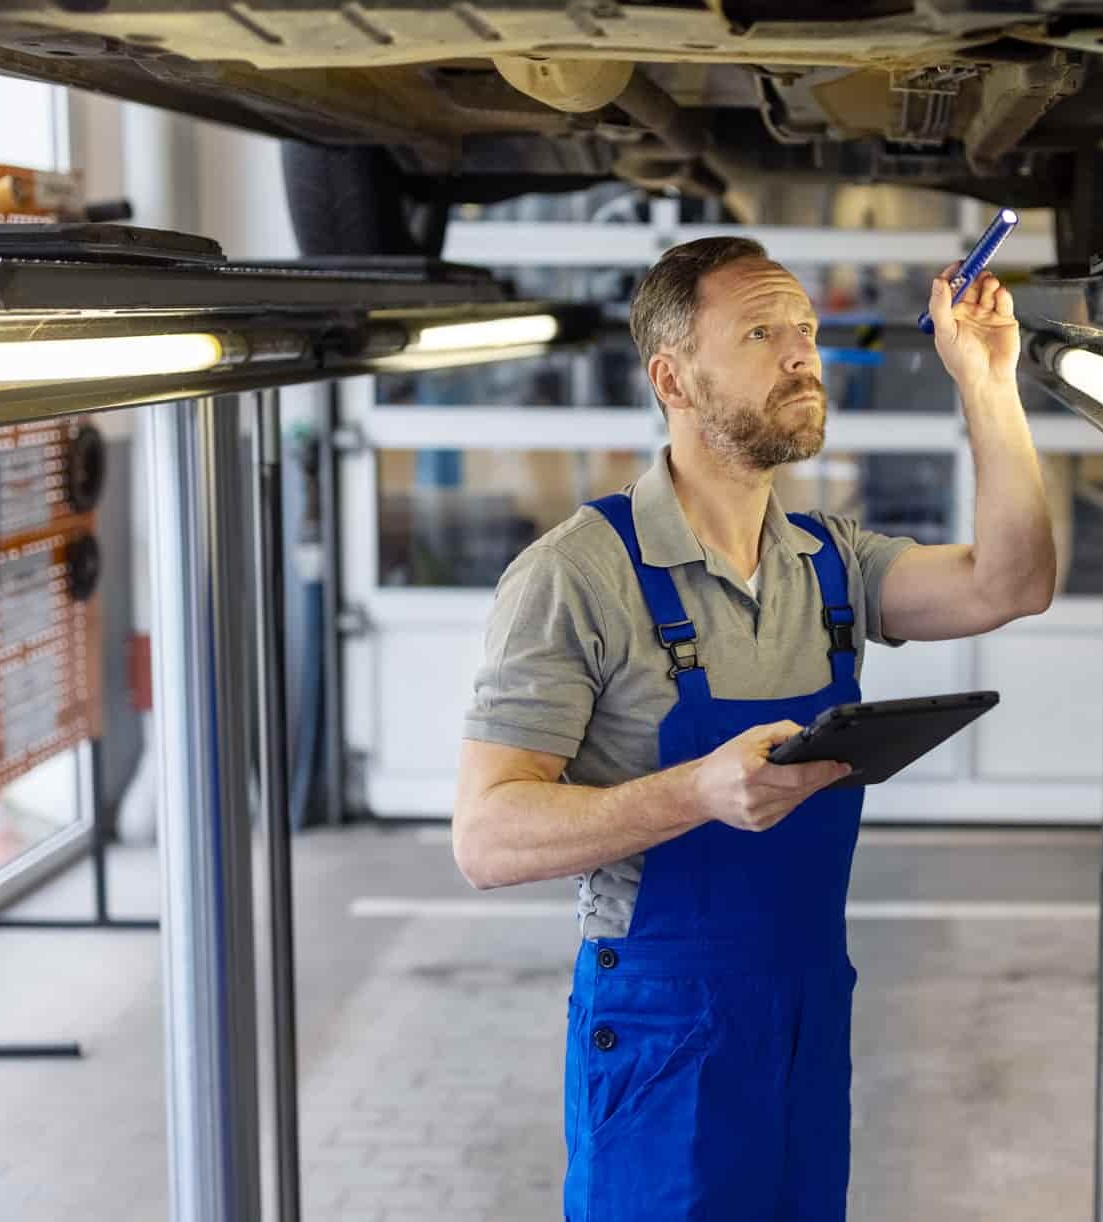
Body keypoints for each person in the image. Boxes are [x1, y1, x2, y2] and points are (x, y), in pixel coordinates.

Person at [452, 235, 1058, 1220]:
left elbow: (1011, 581)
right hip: (662, 1024)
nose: (801, 354)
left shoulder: (830, 564)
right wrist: (696, 792)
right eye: (761, 331)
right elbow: (486, 837)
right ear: (672, 378)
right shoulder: (576, 574)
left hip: (806, 1002)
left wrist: (987, 383)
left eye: (807, 331)